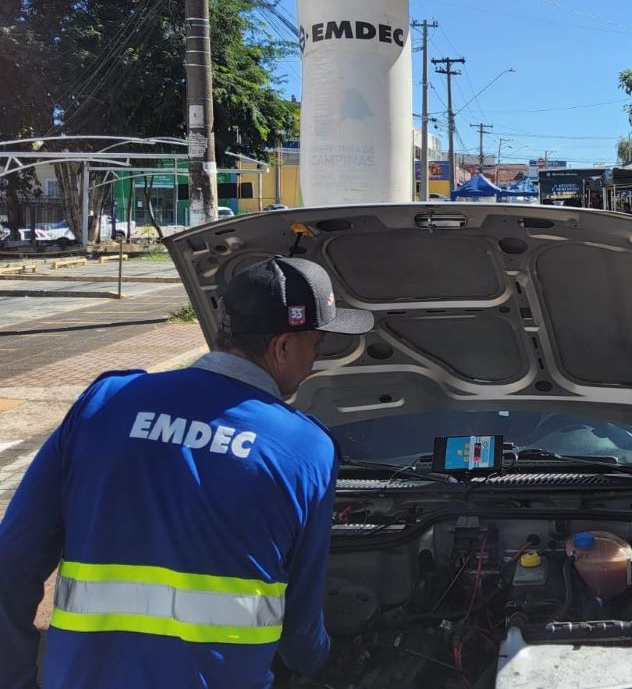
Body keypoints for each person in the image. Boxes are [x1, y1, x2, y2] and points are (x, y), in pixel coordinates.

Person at [0, 255, 374, 688]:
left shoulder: (103, 404)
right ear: (283, 347)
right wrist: (330, 659)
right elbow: (300, 631)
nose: (317, 358)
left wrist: (14, 678)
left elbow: (12, 560)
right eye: (317, 344)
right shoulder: (306, 448)